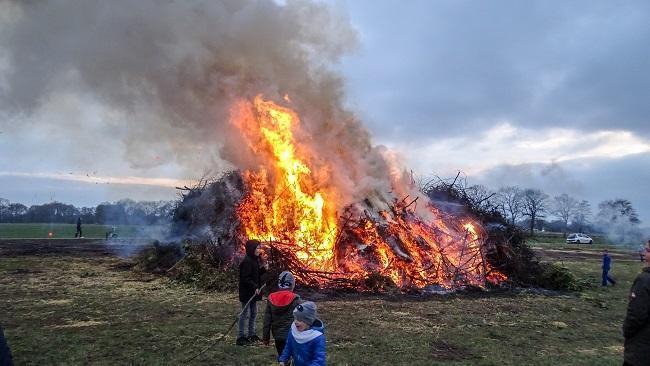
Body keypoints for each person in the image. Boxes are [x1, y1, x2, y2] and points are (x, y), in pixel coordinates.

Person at [623, 241, 650, 365]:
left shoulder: (645, 280)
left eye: (648, 250)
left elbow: (636, 315)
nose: (644, 253)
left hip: (641, 351)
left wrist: (627, 331)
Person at [263, 271, 301, 360]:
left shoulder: (271, 298)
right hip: (292, 336)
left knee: (283, 357)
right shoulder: (296, 299)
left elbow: (267, 320)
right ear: (292, 284)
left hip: (277, 336)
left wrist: (266, 337)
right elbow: (302, 318)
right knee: (294, 358)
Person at [237, 239, 266, 346]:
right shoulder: (247, 261)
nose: (259, 250)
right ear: (251, 249)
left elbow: (256, 275)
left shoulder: (254, 260)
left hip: (254, 292)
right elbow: (245, 278)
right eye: (257, 248)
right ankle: (241, 337)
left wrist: (263, 269)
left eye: (259, 248)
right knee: (244, 314)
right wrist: (254, 287)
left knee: (253, 313)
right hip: (247, 293)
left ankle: (251, 334)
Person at [278, 301, 326, 366]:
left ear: (308, 321)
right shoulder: (293, 331)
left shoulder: (317, 337)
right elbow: (288, 346)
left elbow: (319, 359)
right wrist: (283, 359)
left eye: (299, 320)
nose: (295, 322)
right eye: (295, 318)